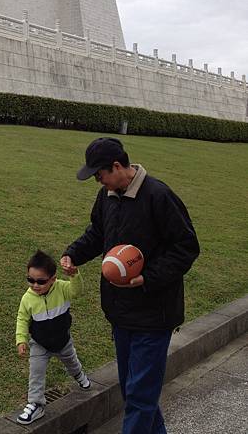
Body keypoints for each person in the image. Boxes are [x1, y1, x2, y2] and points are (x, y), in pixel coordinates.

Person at [61, 137, 200, 434]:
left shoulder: (159, 196)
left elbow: (186, 247)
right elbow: (98, 233)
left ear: (116, 166)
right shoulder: (107, 197)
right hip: (121, 313)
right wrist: (73, 253)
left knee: (139, 396)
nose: (99, 181)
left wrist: (148, 277)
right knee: (135, 392)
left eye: (100, 175)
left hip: (154, 314)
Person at [15, 249, 91, 425]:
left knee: (72, 362)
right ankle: (36, 404)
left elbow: (77, 292)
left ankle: (79, 375)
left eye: (40, 281)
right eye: (30, 280)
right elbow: (22, 319)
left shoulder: (63, 288)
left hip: (63, 341)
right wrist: (21, 339)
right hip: (39, 344)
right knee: (36, 373)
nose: (35, 285)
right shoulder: (28, 298)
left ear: (53, 279)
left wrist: (75, 276)